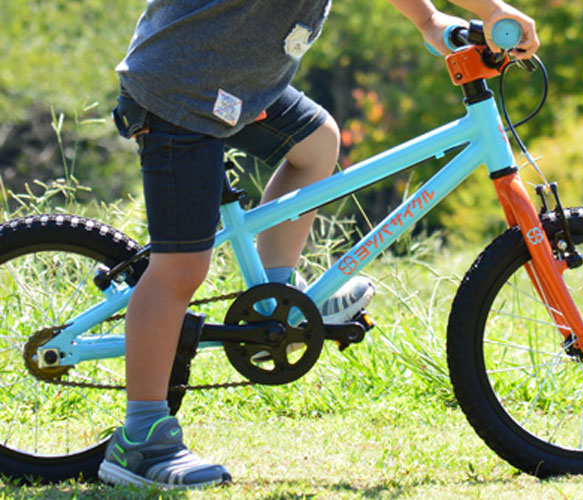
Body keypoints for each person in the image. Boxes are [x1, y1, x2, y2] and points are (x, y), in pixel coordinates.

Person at [98, 0, 539, 489]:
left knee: (316, 143)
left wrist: (429, 21)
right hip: (183, 89)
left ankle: (276, 301)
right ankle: (141, 440)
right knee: (180, 268)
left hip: (232, 81)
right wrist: (492, 9)